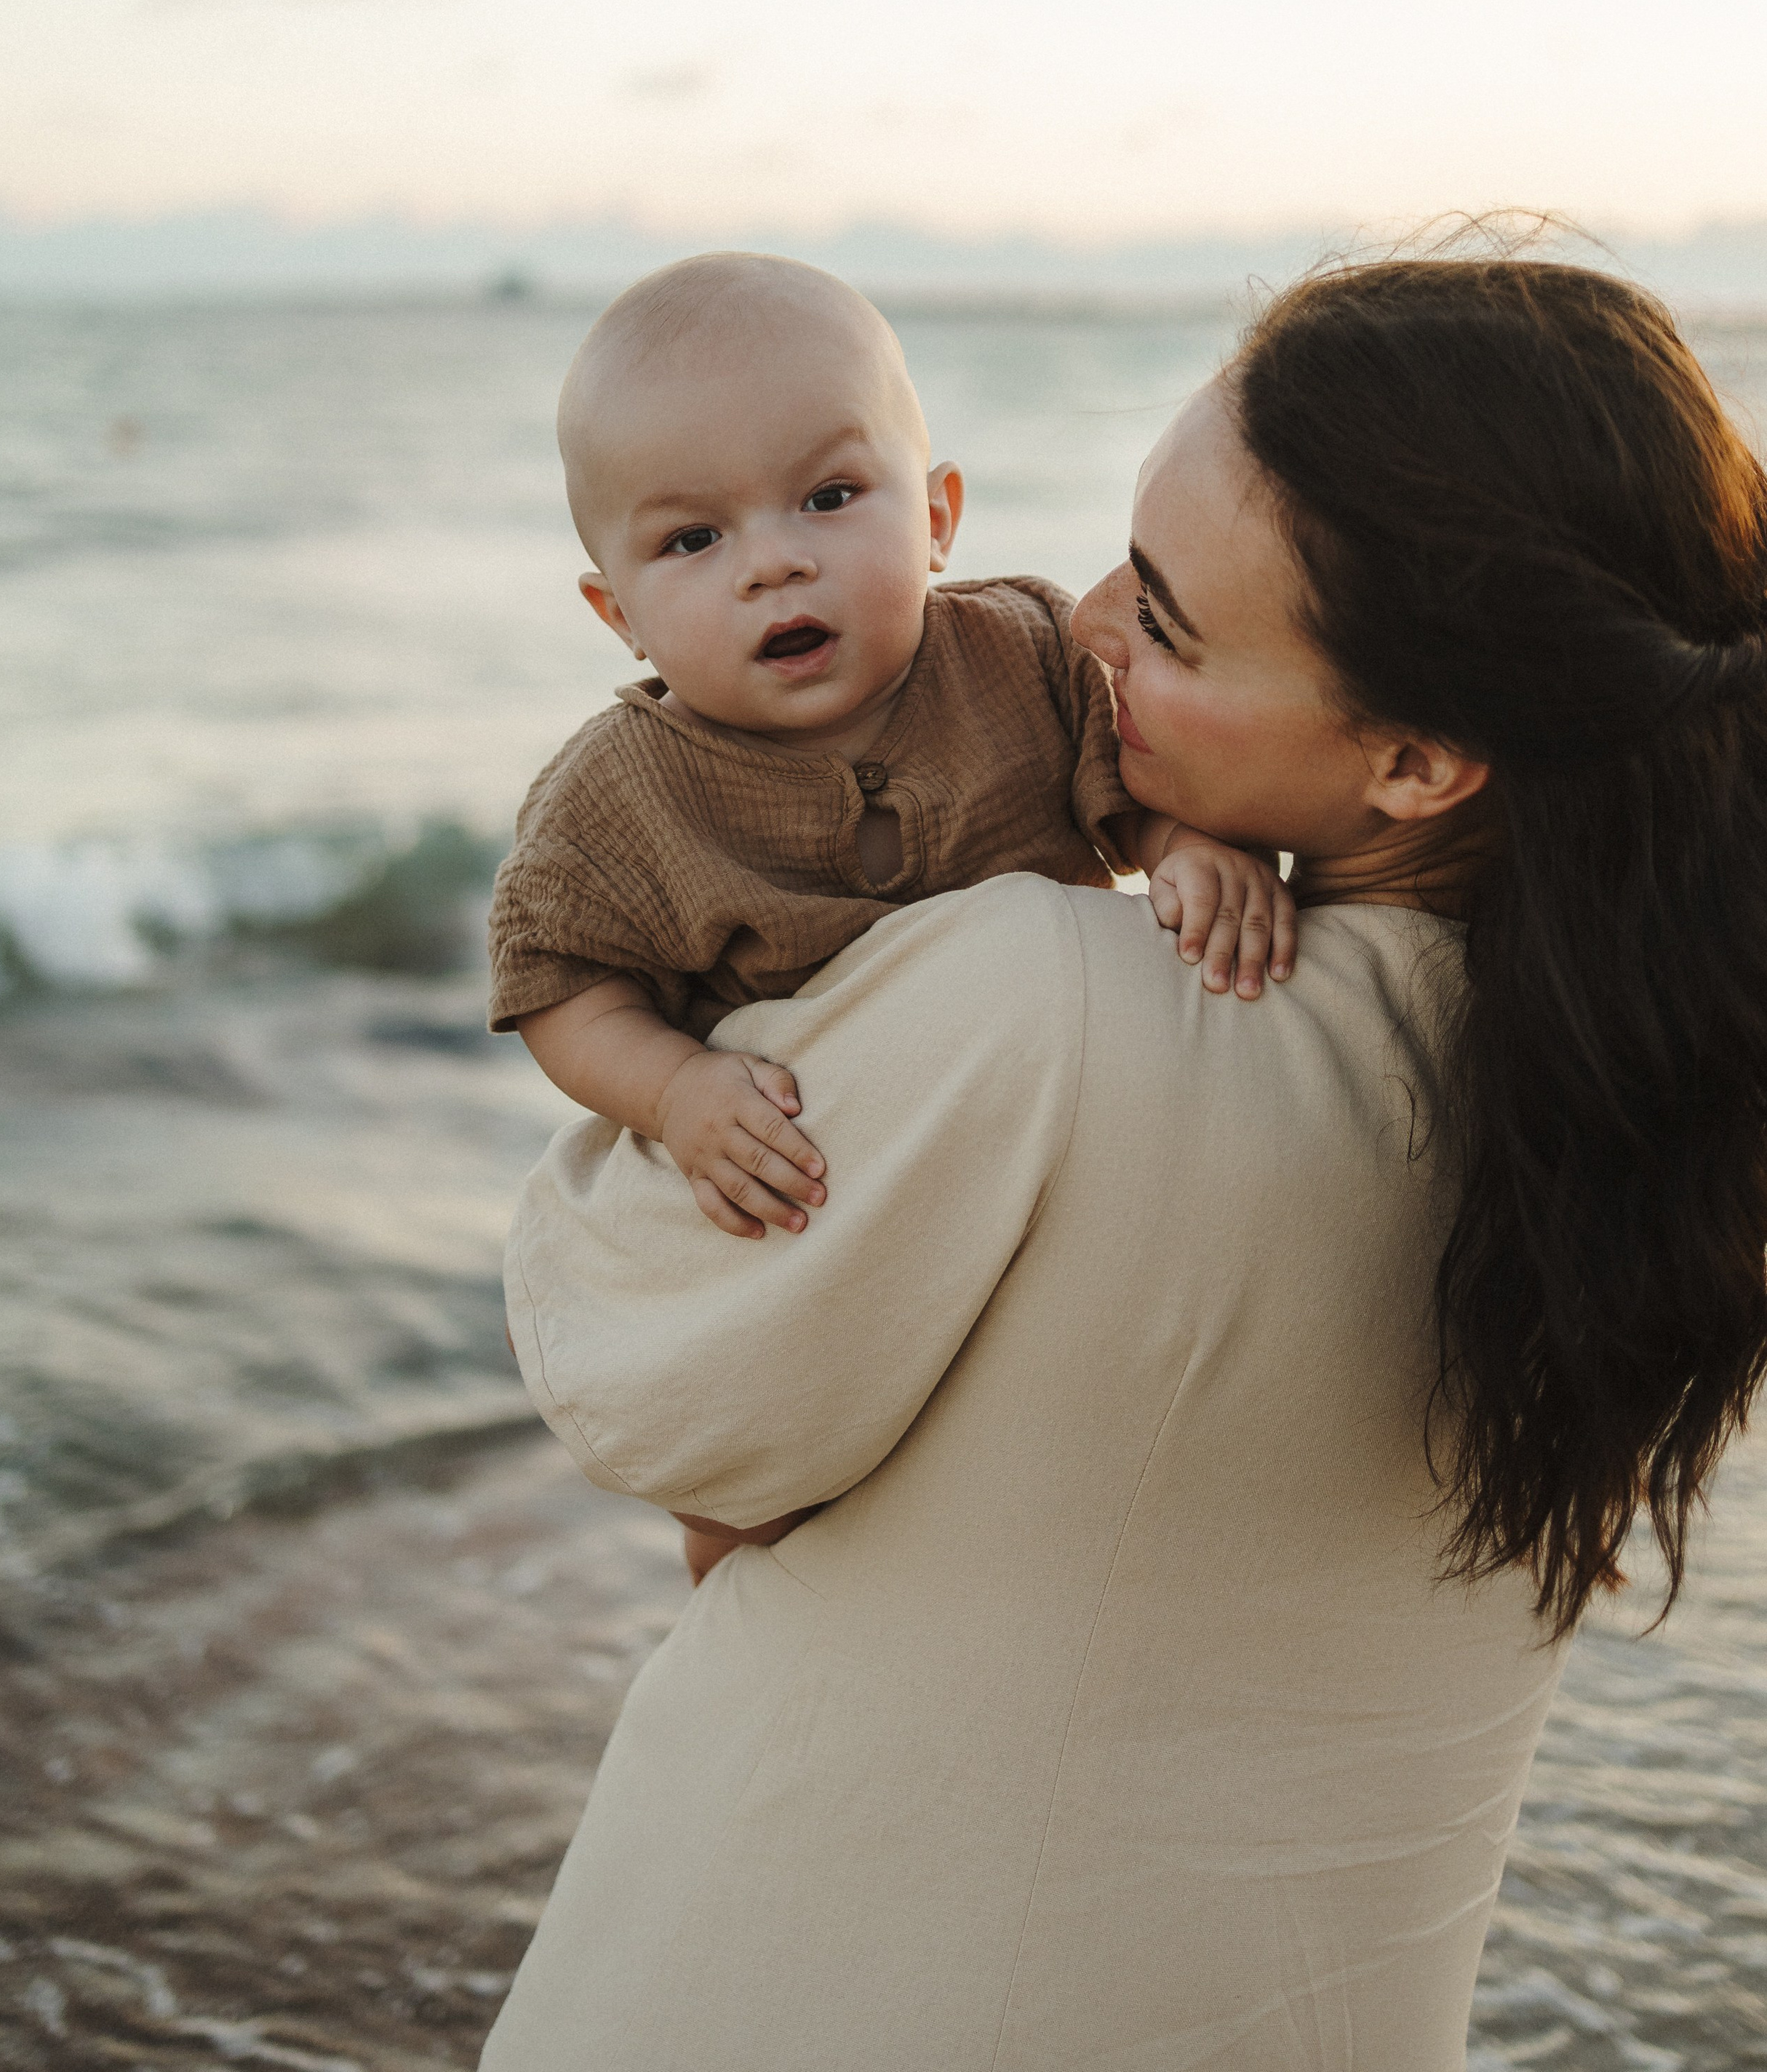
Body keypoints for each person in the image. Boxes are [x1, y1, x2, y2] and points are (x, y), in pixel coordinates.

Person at [480, 255, 1767, 2070]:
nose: (1071, 628)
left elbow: (646, 1384)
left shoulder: (1040, 1005)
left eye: (1162, 621)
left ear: (1414, 759)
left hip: (815, 1994)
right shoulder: (1649, 1110)